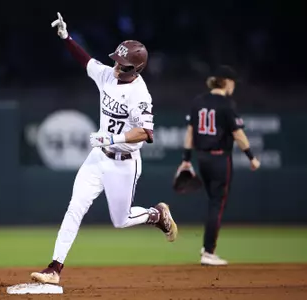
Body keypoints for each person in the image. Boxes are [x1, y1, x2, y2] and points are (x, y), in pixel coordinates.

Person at [30, 12, 178, 285]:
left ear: (137, 69)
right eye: (117, 61)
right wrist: (66, 37)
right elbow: (86, 61)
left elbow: (145, 133)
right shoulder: (107, 76)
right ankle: (54, 269)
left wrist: (110, 139)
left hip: (124, 162)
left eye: (123, 64)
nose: (117, 67)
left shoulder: (140, 94)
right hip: (98, 158)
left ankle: (156, 214)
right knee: (75, 208)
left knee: (120, 221)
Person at [177, 65, 261, 266]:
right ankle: (208, 252)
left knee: (213, 202)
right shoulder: (227, 104)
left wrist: (186, 159)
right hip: (220, 159)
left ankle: (207, 246)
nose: (234, 86)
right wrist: (251, 157)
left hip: (202, 158)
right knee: (217, 204)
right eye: (233, 82)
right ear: (226, 81)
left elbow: (189, 133)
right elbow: (238, 134)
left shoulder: (198, 101)